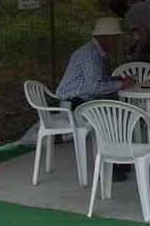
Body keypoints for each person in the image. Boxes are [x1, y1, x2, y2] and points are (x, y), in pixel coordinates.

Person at [56, 17, 137, 180]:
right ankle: (113, 165)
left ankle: (120, 159)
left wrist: (113, 80)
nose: (116, 42)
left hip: (80, 100)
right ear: (106, 37)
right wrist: (121, 84)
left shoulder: (92, 51)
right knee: (111, 121)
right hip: (74, 103)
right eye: (115, 38)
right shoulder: (89, 54)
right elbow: (94, 87)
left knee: (119, 116)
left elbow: (93, 81)